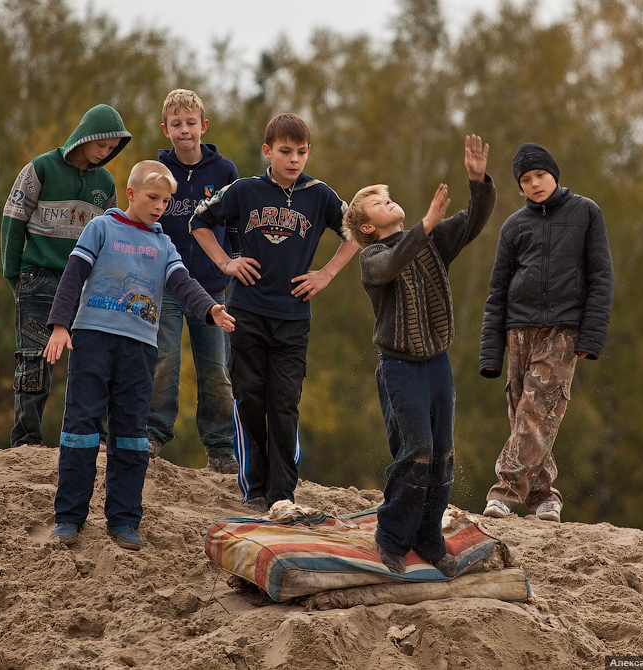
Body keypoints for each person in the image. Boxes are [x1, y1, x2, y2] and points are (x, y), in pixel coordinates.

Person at [43, 161, 236, 550]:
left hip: (140, 348)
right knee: (80, 429)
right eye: (152, 197)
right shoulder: (101, 227)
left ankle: (124, 520)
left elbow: (184, 284)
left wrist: (210, 310)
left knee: (131, 435)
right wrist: (60, 325)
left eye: (166, 200)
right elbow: (73, 275)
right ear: (130, 194)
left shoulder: (165, 244)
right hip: (93, 340)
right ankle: (69, 518)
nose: (160, 206)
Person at [342, 134, 496, 577]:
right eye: (379, 202)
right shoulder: (371, 258)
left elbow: (474, 221)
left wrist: (478, 180)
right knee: (417, 451)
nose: (389, 202)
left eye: (389, 197)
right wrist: (424, 225)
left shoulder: (430, 240)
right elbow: (391, 265)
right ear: (367, 226)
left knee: (444, 454)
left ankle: (429, 539)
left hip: (438, 366)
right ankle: (391, 538)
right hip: (399, 368)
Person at [190, 113, 360, 513]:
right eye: (286, 151)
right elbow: (200, 220)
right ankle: (255, 488)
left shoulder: (319, 194)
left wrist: (327, 273)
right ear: (268, 151)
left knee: (284, 404)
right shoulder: (245, 190)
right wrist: (226, 262)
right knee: (250, 399)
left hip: (294, 318)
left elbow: (357, 231)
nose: (295, 159)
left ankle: (283, 494)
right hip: (246, 312)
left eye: (302, 152)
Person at [479, 142, 614, 523]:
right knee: (523, 413)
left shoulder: (586, 213)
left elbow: (601, 278)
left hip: (563, 331)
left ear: (554, 174)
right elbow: (497, 290)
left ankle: (504, 492)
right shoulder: (513, 226)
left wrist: (591, 336)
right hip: (518, 330)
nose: (534, 183)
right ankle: (542, 497)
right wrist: (491, 352)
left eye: (540, 175)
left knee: (536, 412)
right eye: (525, 179)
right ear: (519, 186)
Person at [1, 103, 131, 449]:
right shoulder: (40, 168)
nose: (107, 153)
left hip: (85, 287)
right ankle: (26, 439)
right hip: (38, 279)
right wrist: (14, 274)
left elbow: (110, 237)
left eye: (112, 148)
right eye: (102, 145)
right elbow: (13, 220)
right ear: (85, 137)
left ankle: (93, 436)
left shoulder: (106, 183)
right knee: (34, 361)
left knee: (94, 362)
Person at [147, 89, 239, 474]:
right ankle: (152, 435)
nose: (184, 131)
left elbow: (234, 225)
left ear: (203, 126)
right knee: (164, 360)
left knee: (216, 368)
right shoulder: (156, 170)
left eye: (190, 124)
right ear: (165, 129)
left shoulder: (224, 172)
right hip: (166, 284)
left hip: (211, 287)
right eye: (176, 125)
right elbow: (144, 219)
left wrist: (233, 264)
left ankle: (220, 448)